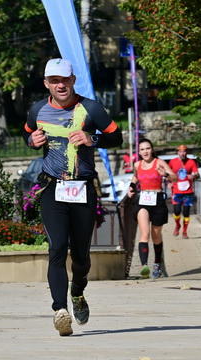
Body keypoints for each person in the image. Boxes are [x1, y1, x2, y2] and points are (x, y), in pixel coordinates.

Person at [23, 58, 123, 336]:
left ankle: (77, 292)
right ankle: (60, 310)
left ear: (73, 80)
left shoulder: (91, 108)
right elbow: (27, 133)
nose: (60, 85)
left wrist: (93, 139)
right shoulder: (37, 109)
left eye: (64, 79)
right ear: (46, 84)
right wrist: (32, 141)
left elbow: (117, 137)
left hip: (82, 189)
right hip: (52, 189)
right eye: (54, 80)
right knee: (56, 248)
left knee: (80, 256)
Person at [127, 139, 176, 279]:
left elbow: (176, 178)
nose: (145, 152)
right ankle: (144, 266)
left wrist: (165, 175)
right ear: (139, 152)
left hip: (157, 200)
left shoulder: (159, 163)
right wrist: (131, 187)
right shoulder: (137, 164)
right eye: (142, 149)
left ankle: (157, 263)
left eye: (148, 148)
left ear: (152, 149)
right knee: (145, 233)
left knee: (156, 236)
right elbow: (136, 176)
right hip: (143, 200)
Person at [169, 145, 199, 238]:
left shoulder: (191, 162)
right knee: (177, 211)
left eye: (184, 151)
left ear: (187, 152)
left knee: (186, 212)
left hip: (188, 191)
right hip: (176, 190)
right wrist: (169, 182)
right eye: (181, 151)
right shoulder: (172, 162)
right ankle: (177, 225)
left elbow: (197, 174)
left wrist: (194, 176)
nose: (183, 153)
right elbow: (168, 174)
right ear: (178, 152)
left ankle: (185, 231)